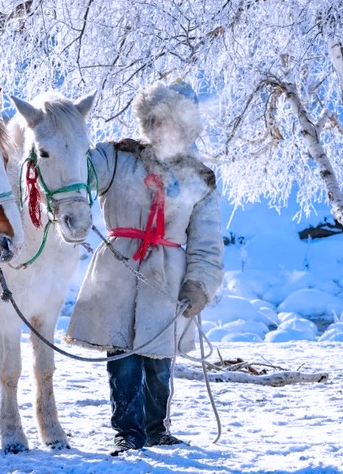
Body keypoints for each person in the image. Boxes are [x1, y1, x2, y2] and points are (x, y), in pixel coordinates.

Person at [65, 80, 224, 455]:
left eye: (169, 121)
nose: (160, 128)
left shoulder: (198, 179)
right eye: (154, 120)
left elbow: (207, 241)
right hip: (118, 268)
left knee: (159, 360)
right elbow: (77, 171)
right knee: (121, 357)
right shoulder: (117, 158)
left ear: (185, 126)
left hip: (167, 275)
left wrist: (200, 284)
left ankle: (157, 429)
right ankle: (128, 432)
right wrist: (63, 136)